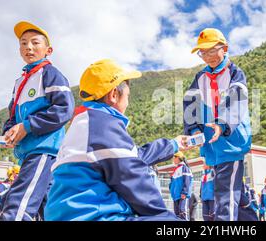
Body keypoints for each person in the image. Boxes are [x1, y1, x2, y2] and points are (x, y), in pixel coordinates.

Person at [44, 59, 192, 221]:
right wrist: (162, 216)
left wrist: (173, 144)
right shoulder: (103, 124)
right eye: (128, 95)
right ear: (114, 94)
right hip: (93, 216)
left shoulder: (86, 123)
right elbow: (132, 175)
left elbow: (133, 158)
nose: (128, 102)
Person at [0, 21, 75, 221]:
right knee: (50, 208)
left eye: (34, 42)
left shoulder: (51, 74)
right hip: (27, 150)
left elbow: (64, 108)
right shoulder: (20, 82)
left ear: (48, 50)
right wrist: (9, 132)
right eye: (23, 43)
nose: (28, 47)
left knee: (16, 206)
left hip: (43, 148)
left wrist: (28, 126)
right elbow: (13, 115)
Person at [183, 28, 255, 221]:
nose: (208, 56)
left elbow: (237, 101)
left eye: (212, 50)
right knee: (233, 194)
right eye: (203, 53)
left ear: (225, 48)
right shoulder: (200, 77)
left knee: (225, 198)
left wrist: (221, 124)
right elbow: (190, 103)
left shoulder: (235, 73)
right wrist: (194, 130)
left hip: (230, 141)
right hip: (211, 145)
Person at [169, 151, 193, 221]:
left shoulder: (184, 168)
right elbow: (172, 183)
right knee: (177, 214)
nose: (173, 159)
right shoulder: (176, 169)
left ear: (178, 158)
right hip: (176, 195)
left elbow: (187, 180)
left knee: (182, 212)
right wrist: (171, 190)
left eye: (174, 157)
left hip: (182, 194)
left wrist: (184, 192)